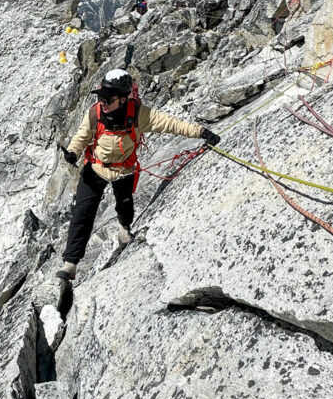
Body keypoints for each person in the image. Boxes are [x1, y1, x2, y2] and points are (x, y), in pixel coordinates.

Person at [56, 68, 220, 280]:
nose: (103, 102)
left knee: (125, 206)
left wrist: (201, 132)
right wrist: (73, 152)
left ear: (123, 99)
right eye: (101, 97)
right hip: (95, 167)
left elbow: (171, 124)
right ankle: (70, 264)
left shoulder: (139, 115)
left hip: (124, 169)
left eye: (108, 99)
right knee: (82, 214)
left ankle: (124, 228)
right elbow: (82, 136)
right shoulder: (94, 113)